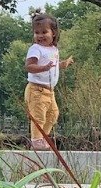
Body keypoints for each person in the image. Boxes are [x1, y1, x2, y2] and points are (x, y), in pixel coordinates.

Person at [23, 14, 74, 150]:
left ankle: (43, 137)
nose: (40, 36)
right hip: (37, 90)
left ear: (54, 33)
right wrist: (43, 68)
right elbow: (29, 66)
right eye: (36, 33)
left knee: (53, 115)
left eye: (44, 32)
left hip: (50, 91)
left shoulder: (53, 50)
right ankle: (36, 140)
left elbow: (54, 65)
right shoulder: (35, 49)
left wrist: (64, 64)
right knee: (39, 116)